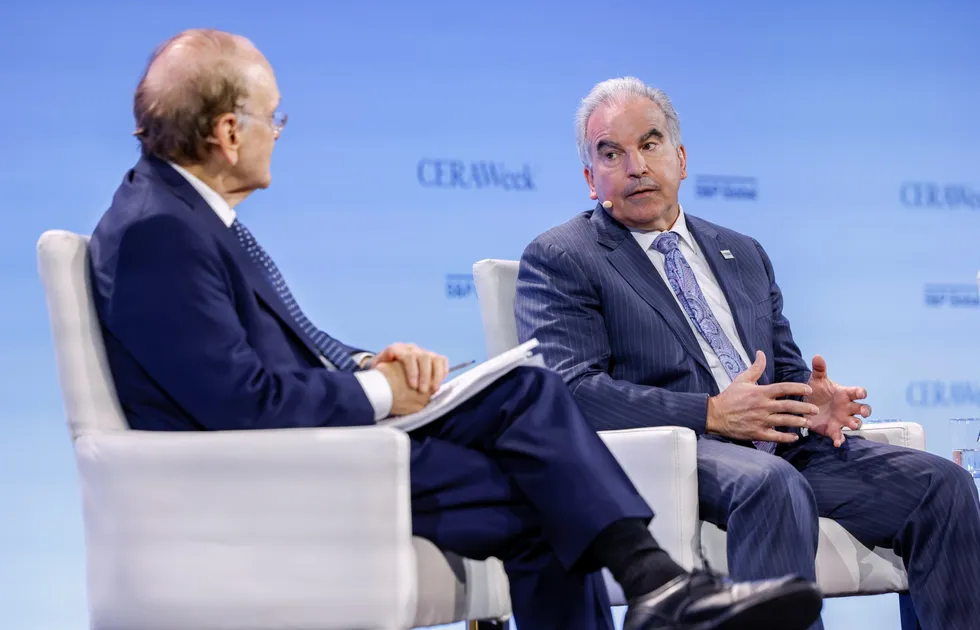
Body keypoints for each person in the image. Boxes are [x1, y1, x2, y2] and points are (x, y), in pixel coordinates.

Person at [87, 31, 821, 630]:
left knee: (524, 397)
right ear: (225, 132)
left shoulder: (182, 217)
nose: (277, 134)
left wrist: (372, 362)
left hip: (315, 449)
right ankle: (659, 584)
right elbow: (239, 403)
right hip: (278, 478)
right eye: (272, 117)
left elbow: (268, 361)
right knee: (547, 482)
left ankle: (658, 586)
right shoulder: (159, 232)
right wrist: (380, 392)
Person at [514, 75, 980, 630]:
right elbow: (568, 391)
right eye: (611, 153)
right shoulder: (563, 256)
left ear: (681, 158)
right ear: (592, 180)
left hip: (778, 446)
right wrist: (710, 413)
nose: (635, 165)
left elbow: (781, 371)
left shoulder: (742, 252)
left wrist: (812, 404)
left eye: (650, 143)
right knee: (771, 485)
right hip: (676, 453)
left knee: (944, 487)